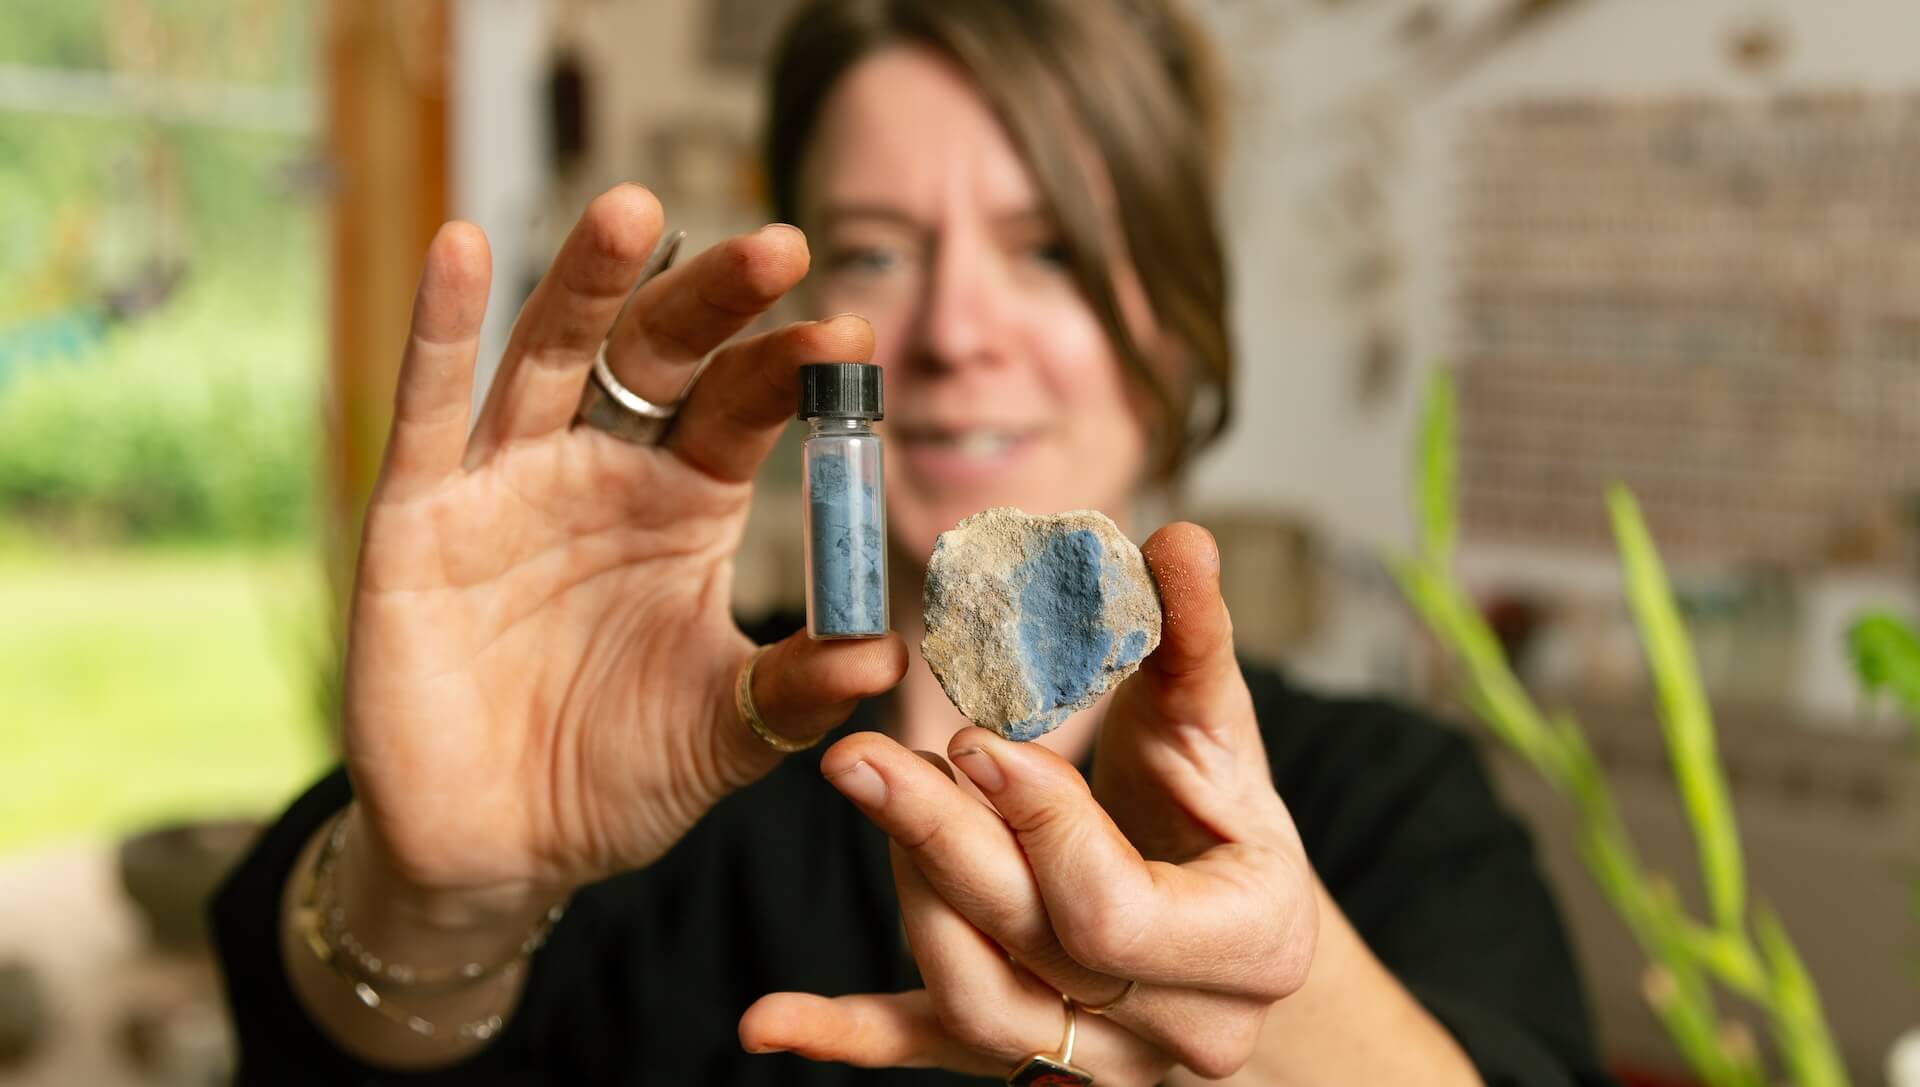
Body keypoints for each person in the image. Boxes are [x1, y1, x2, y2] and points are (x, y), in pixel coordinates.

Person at [213, 1, 1616, 1083]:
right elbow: (322, 1043)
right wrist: (440, 901)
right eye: (878, 251)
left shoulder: (1391, 803)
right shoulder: (652, 742)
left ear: (1180, 319)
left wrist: (1271, 1005)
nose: (952, 330)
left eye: (1050, 248)